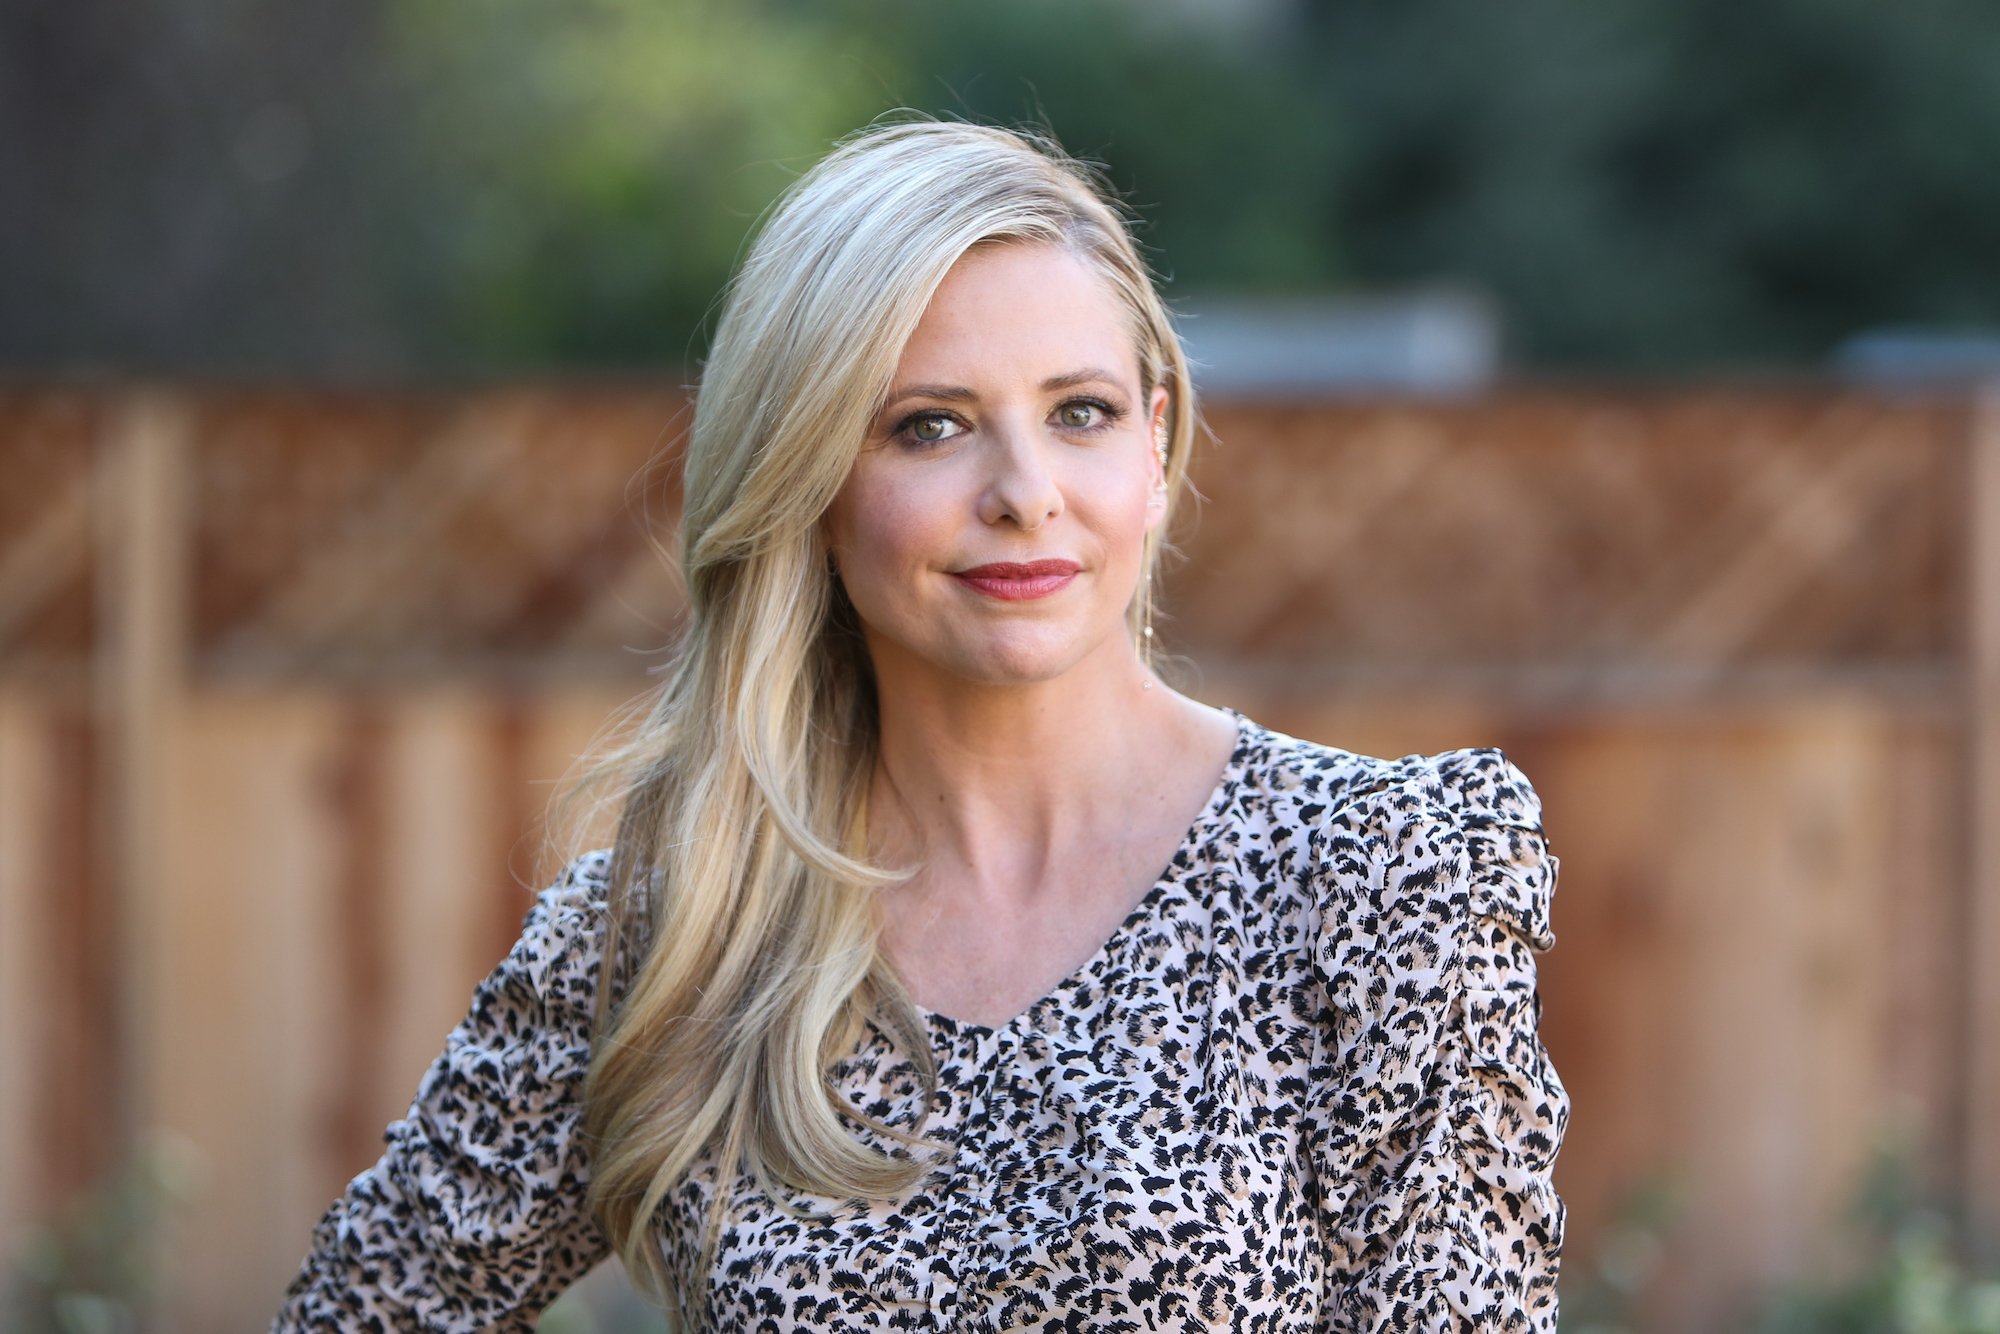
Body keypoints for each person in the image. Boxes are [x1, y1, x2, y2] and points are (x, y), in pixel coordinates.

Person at [272, 114, 1569, 1333]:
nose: (1025, 493)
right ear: (812, 479)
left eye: (1080, 413)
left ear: (1154, 442)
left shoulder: (1382, 877)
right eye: (929, 426)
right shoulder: (684, 935)